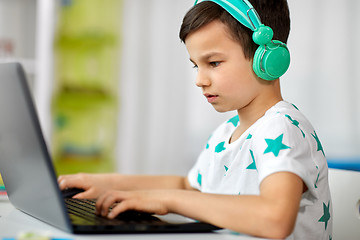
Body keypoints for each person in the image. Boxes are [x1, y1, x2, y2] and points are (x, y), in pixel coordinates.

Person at [58, 0, 332, 239]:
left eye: (213, 63)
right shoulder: (228, 132)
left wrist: (169, 201)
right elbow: (188, 187)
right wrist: (102, 183)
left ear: (268, 58)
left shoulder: (281, 127)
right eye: (195, 65)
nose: (200, 80)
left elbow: (275, 218)